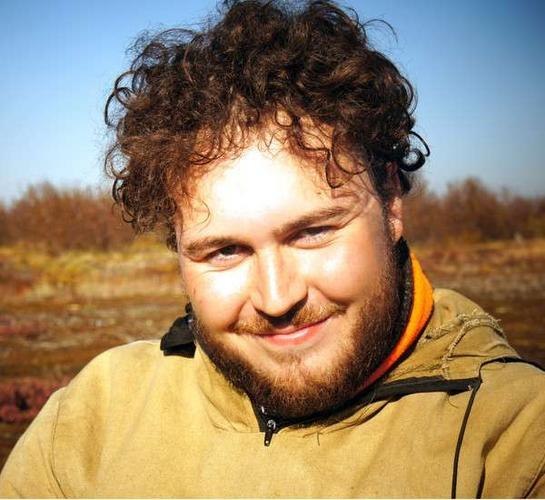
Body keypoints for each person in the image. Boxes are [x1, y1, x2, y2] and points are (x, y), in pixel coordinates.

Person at [1, 1, 544, 497]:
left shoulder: (515, 443)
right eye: (225, 251)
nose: (277, 298)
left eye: (312, 232)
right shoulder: (91, 421)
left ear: (392, 202)